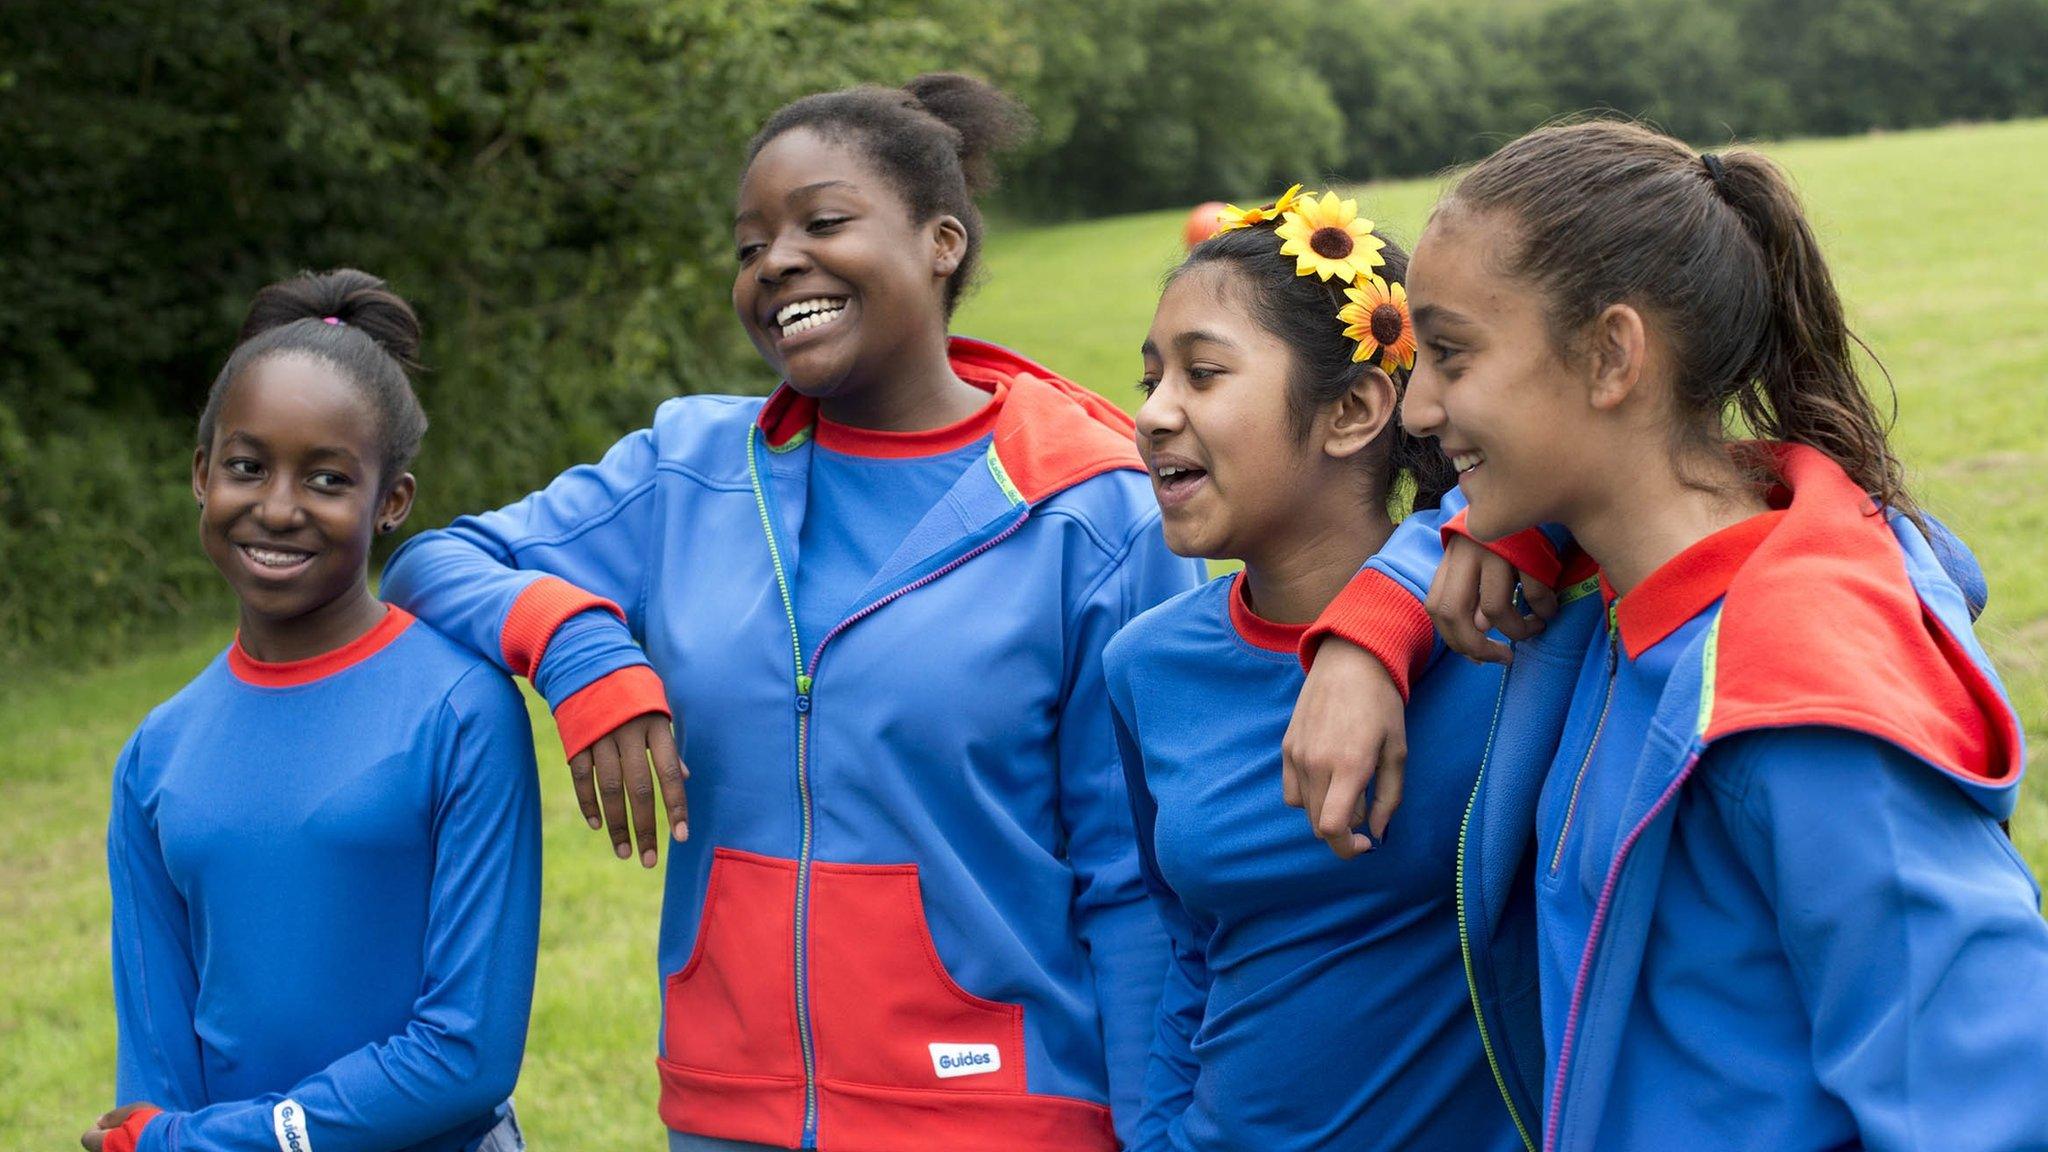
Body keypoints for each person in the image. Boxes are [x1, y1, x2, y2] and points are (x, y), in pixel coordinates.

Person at [378, 74, 1203, 1151]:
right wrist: (581, 650)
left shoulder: (1090, 513)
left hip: (1000, 1114)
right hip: (731, 1109)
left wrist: (1153, 1137)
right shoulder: (688, 469)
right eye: (748, 245)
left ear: (941, 240)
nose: (775, 263)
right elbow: (436, 563)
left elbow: (1137, 885)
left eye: (821, 223)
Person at [1289, 120, 2048, 1151]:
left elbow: (1988, 1107)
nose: (1416, 407)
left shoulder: (1797, 706)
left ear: (1610, 356)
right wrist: (1443, 565)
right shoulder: (1599, 590)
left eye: (1453, 355)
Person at [1104, 192, 1538, 1151]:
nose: (1152, 415)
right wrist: (1155, 1134)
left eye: (1203, 374)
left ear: (1352, 410)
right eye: (1150, 379)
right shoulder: (1145, 667)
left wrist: (1395, 603)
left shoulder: (1502, 630)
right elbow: (1187, 948)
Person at [88, 270, 540, 1152]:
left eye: (328, 479)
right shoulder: (157, 754)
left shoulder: (461, 712)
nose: (279, 508)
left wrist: (227, 1140)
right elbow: (155, 1080)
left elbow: (467, 1054)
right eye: (247, 467)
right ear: (201, 476)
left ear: (391, 503)